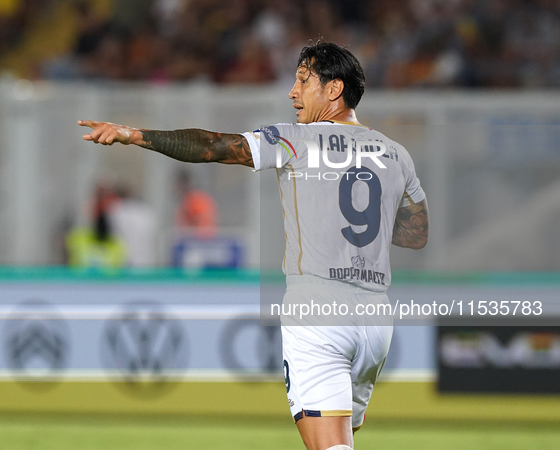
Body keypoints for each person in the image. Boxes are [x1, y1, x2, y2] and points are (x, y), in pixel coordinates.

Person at [78, 41, 429, 450]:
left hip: (317, 308)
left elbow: (212, 146)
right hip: (375, 317)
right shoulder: (395, 153)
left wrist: (134, 135)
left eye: (302, 81)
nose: (292, 92)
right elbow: (415, 233)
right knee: (341, 441)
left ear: (334, 89)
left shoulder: (296, 139)